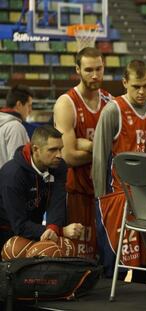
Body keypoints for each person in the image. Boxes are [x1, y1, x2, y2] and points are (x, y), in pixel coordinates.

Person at [92, 60, 146, 283]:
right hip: (117, 196)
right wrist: (101, 198)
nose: (141, 92)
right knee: (115, 265)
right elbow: (100, 156)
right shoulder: (113, 110)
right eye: (136, 86)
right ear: (124, 83)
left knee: (145, 263)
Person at [54, 47, 112, 259]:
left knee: (104, 257)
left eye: (99, 69)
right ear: (77, 70)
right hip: (76, 191)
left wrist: (85, 145)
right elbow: (68, 156)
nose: (95, 75)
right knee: (78, 256)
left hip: (103, 191)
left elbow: (117, 150)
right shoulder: (66, 103)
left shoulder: (110, 102)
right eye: (88, 70)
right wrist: (100, 149)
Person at [0, 125, 83, 253]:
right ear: (35, 149)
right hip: (7, 231)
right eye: (52, 150)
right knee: (16, 251)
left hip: (33, 227)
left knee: (60, 248)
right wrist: (61, 231)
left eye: (60, 149)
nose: (59, 155)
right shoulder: (13, 175)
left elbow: (57, 202)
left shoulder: (59, 167)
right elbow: (19, 226)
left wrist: (53, 228)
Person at [0, 85, 32, 168]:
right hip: (8, 180)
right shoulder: (15, 127)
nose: (30, 110)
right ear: (19, 104)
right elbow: (17, 167)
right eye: (29, 106)